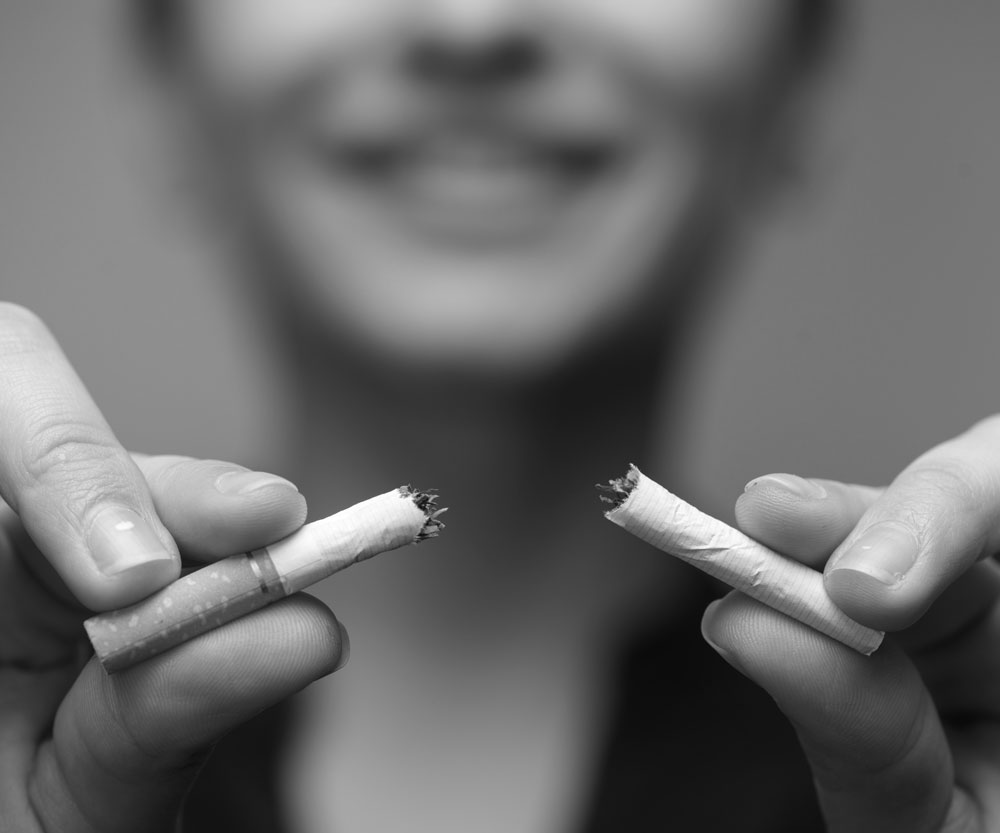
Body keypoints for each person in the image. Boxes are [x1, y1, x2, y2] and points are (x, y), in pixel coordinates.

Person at [1, 1, 996, 831]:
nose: (472, 24)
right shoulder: (38, 711)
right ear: (165, 82)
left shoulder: (945, 745)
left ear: (801, 82)